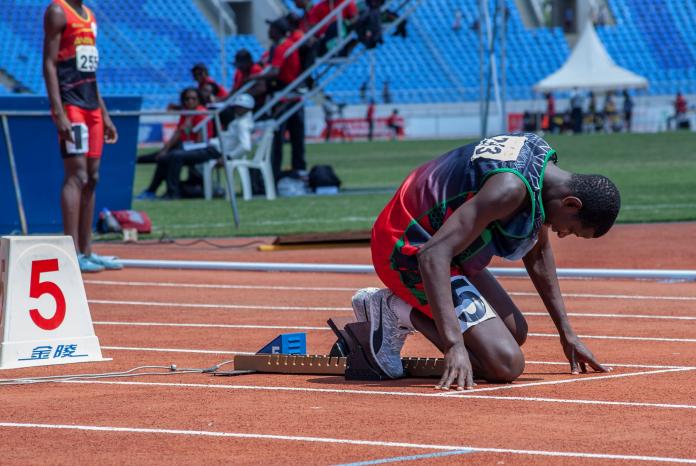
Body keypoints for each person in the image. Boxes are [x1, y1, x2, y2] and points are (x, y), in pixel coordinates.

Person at [352, 133, 621, 389]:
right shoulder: (509, 189)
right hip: (405, 247)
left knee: (514, 333)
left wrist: (567, 334)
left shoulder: (540, 166)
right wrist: (453, 344)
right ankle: (393, 308)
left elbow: (537, 253)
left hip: (447, 245)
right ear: (572, 204)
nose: (561, 234)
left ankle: (421, 314)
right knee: (505, 365)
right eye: (571, 230)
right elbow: (432, 255)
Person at [43, 0, 120, 273]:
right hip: (71, 106)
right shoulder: (57, 11)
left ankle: (87, 251)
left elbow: (90, 72)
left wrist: (105, 113)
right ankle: (71, 251)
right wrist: (59, 111)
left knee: (93, 177)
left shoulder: (90, 16)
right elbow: (49, 64)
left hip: (91, 106)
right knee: (77, 175)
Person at [135, 88, 213, 200]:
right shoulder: (186, 113)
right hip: (189, 147)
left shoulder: (200, 113)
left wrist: (169, 150)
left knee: (174, 155)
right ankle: (152, 191)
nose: (190, 101)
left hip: (203, 149)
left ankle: (172, 193)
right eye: (187, 99)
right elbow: (178, 133)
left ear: (198, 100)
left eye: (193, 99)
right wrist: (164, 150)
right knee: (164, 156)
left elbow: (200, 141)